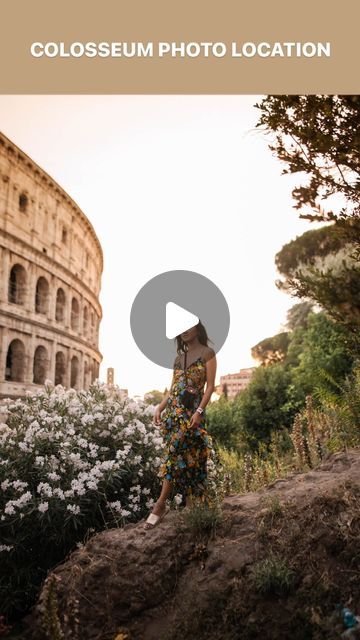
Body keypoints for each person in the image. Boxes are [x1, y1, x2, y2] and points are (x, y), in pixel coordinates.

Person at [144, 321, 217, 530]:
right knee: (182, 455)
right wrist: (160, 407)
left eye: (188, 326)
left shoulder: (208, 353)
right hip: (174, 415)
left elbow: (210, 387)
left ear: (197, 328)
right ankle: (188, 504)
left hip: (192, 414)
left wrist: (199, 412)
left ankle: (160, 505)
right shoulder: (178, 359)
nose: (184, 330)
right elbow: (172, 389)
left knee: (182, 455)